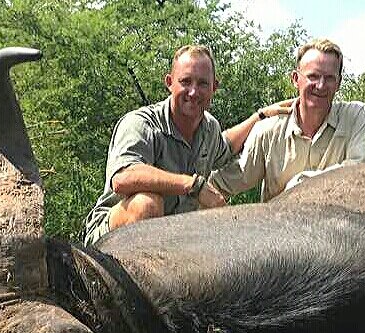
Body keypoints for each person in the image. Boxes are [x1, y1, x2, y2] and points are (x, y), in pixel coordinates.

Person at [84, 45, 291, 245]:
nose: (193, 92)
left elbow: (226, 145)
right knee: (146, 205)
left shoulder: (209, 127)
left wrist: (261, 115)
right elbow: (123, 177)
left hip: (172, 239)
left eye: (202, 83)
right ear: (169, 82)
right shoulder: (140, 123)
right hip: (110, 240)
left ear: (214, 87)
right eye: (185, 81)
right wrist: (193, 185)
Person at [210, 39, 365, 202]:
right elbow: (227, 182)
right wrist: (194, 188)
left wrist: (298, 186)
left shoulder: (356, 117)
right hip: (281, 227)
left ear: (339, 83)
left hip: (340, 227)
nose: (321, 85)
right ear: (296, 79)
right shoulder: (268, 130)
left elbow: (358, 175)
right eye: (313, 76)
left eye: (330, 78)